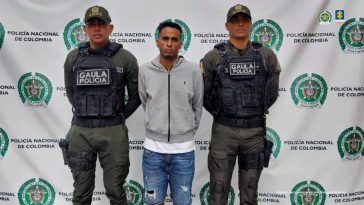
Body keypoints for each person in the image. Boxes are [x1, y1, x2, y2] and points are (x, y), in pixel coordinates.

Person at [201, 4, 281, 205]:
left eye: (244, 20)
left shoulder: (266, 56)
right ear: (227, 25)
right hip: (223, 132)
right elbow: (205, 95)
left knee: (250, 191)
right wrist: (225, 114)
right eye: (235, 20)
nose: (240, 24)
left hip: (254, 133)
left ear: (251, 24)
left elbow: (271, 94)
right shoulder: (213, 57)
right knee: (218, 191)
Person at [63, 5, 140, 205]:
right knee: (81, 192)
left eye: (101, 24)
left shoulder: (125, 58)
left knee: (116, 191)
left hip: (113, 131)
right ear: (85, 29)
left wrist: (117, 115)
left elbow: (135, 97)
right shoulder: (73, 57)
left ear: (110, 28)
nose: (97, 28)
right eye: (92, 24)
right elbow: (71, 92)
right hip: (81, 131)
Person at [138, 21, 203, 205]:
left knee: (182, 202)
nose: (169, 43)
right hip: (153, 152)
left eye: (174, 39)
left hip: (184, 152)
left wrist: (187, 129)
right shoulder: (145, 70)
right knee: (152, 202)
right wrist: (155, 121)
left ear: (180, 43)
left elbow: (197, 105)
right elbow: (146, 102)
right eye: (165, 38)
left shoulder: (192, 71)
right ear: (157, 41)